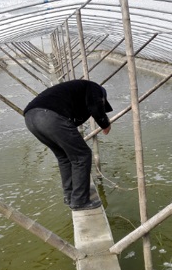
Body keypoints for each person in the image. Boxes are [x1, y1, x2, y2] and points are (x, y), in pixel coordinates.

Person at [24, 79, 113, 211]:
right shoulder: (95, 88)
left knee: (64, 156)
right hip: (49, 117)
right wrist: (105, 124)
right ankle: (80, 201)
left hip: (30, 118)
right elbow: (95, 107)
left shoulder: (75, 90)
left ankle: (69, 195)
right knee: (82, 155)